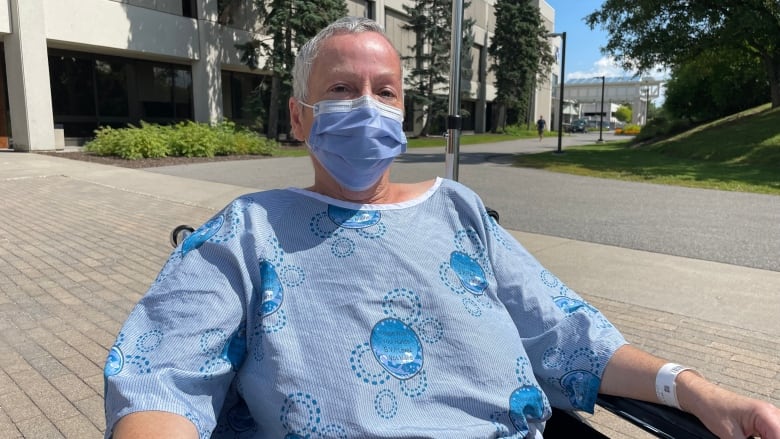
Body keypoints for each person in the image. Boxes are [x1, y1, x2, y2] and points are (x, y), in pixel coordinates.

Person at [103, 16, 780, 439]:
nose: (367, 106)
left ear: (404, 114)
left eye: (385, 91)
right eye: (341, 89)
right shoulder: (246, 231)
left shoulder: (457, 210)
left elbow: (568, 333)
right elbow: (162, 374)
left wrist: (697, 390)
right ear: (299, 118)